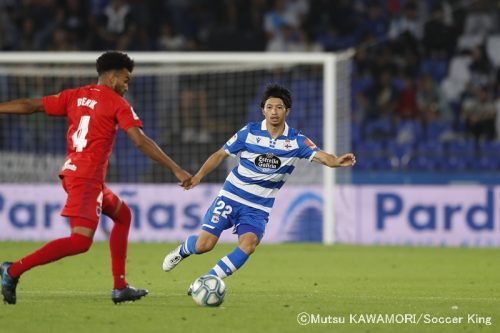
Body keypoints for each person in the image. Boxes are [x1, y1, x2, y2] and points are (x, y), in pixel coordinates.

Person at [0, 51, 191, 305]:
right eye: (125, 79)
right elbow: (139, 141)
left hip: (77, 173)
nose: (126, 85)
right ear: (112, 78)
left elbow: (30, 105)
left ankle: (120, 286)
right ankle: (12, 270)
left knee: (123, 215)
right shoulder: (117, 103)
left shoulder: (74, 95)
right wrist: (175, 169)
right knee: (80, 241)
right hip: (86, 178)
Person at [162, 83, 355, 289]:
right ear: (263, 109)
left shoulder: (297, 141)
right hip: (231, 196)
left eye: (279, 107)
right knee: (204, 245)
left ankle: (207, 280)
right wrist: (199, 175)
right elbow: (220, 154)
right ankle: (183, 251)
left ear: (287, 111)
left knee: (249, 244)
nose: (274, 112)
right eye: (270, 107)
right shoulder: (249, 132)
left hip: (258, 207)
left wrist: (336, 161)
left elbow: (322, 156)